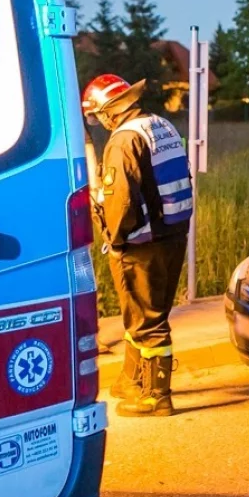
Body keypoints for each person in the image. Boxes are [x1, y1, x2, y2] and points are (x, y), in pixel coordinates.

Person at [81, 74, 192, 417]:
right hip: (172, 235)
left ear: (109, 111)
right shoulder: (161, 125)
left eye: (97, 114)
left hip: (141, 242)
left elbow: (122, 202)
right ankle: (132, 380)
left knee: (148, 319)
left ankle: (156, 397)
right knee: (143, 312)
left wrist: (115, 241)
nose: (98, 121)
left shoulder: (123, 140)